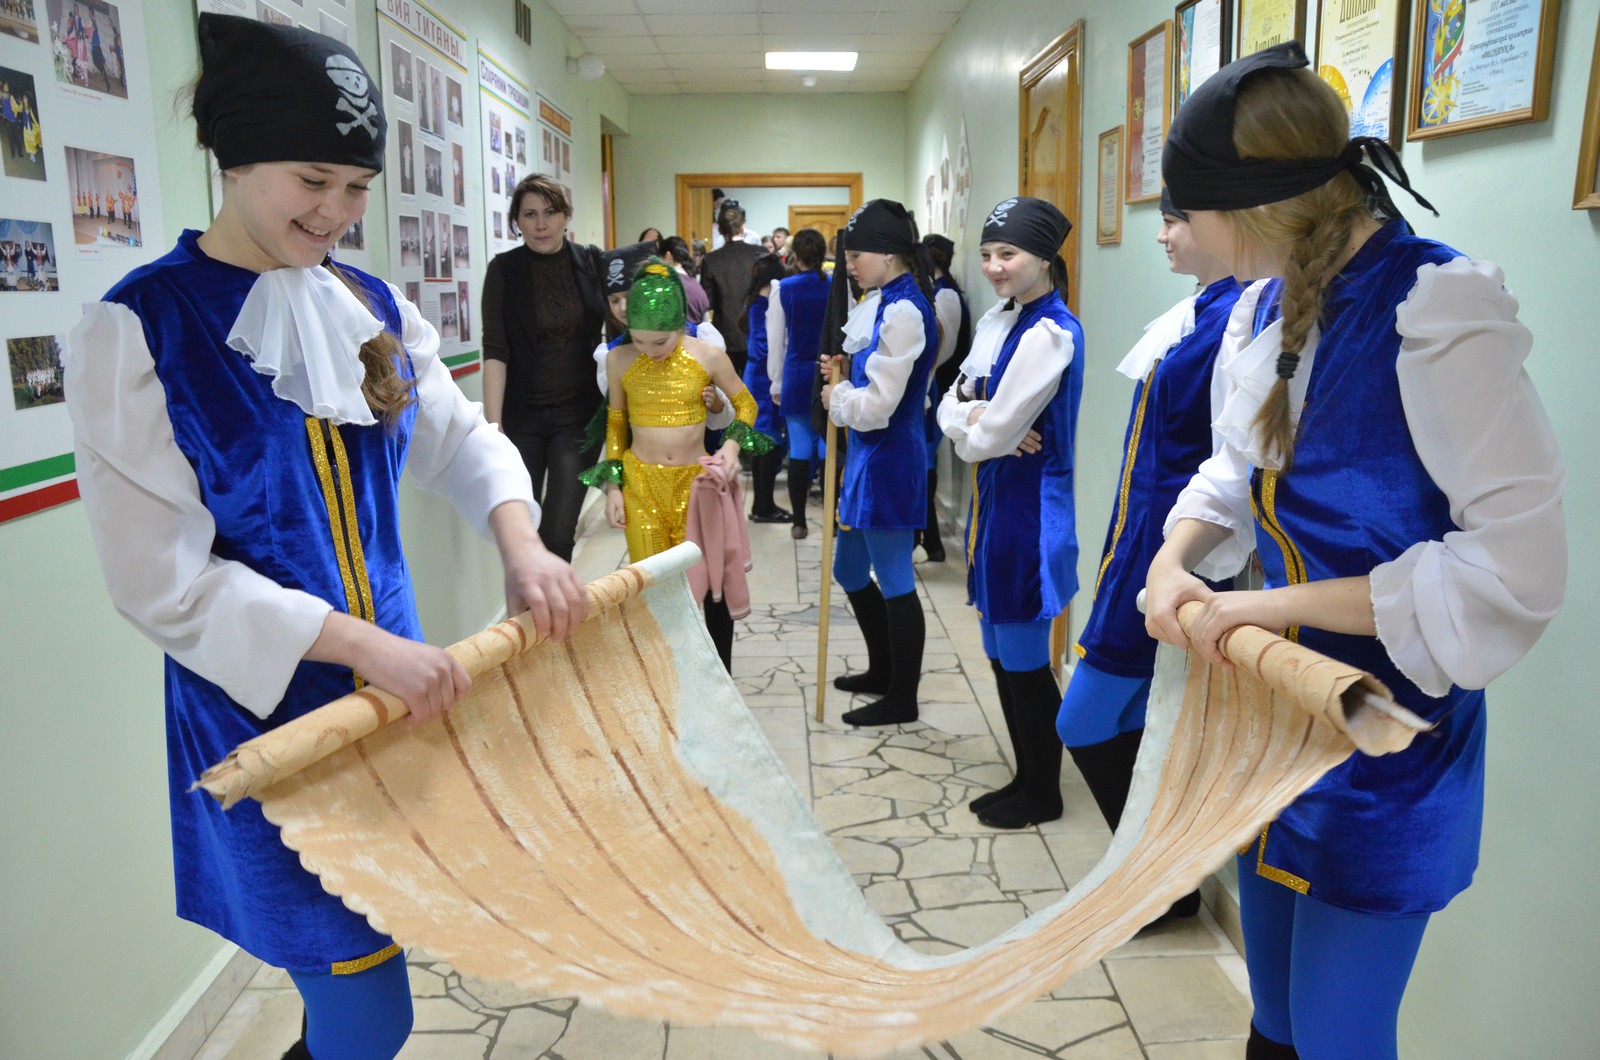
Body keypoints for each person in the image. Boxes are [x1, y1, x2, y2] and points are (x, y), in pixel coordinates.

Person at [61, 17, 589, 1060]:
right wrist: (362, 646)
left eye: (357, 188)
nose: (338, 213)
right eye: (313, 181)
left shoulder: (367, 302)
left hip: (395, 697)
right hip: (267, 718)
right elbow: (162, 583)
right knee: (365, 1007)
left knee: (362, 958)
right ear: (233, 159)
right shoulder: (142, 327)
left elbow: (456, 438)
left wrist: (521, 544)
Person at [1145, 43, 1565, 1060]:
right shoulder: (1263, 301)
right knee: (1276, 1016)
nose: (1176, 230)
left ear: (1252, 209)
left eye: (1188, 210)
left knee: (1339, 1033)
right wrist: (1174, 559)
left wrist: (1267, 608)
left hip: (1387, 742)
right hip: (1274, 712)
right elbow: (1235, 471)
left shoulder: (1439, 312)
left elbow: (1516, 572)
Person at [1057, 187, 1241, 884]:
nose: (1161, 236)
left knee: (1083, 719)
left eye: (1172, 222)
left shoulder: (1243, 314)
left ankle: (1156, 878)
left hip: (1177, 556)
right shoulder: (1204, 308)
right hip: (1141, 540)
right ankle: (1156, 878)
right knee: (1141, 716)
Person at [936, 198, 1081, 828]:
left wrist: (979, 424)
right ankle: (1025, 776)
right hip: (998, 504)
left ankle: (1043, 792)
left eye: (1009, 254)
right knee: (998, 649)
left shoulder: (1050, 333)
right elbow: (952, 406)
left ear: (1044, 258)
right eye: (988, 254)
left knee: (1023, 658)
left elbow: (988, 436)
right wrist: (975, 416)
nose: (995, 266)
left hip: (1030, 513)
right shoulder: (1003, 320)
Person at [583, 261, 774, 669]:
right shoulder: (618, 359)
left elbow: (747, 405)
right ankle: (670, 677)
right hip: (641, 487)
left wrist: (732, 449)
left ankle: (720, 674)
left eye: (660, 341)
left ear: (679, 325)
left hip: (696, 488)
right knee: (654, 586)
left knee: (711, 580)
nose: (649, 351)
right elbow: (615, 425)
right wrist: (613, 487)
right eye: (639, 340)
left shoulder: (707, 355)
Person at [820, 199, 939, 727]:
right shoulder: (881, 301)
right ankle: (881, 670)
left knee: (894, 578)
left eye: (856, 255)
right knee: (849, 569)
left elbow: (878, 407)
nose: (848, 264)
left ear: (889, 255)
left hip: (890, 461)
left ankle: (901, 697)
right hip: (867, 459)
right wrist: (845, 375)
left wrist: (840, 395)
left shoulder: (904, 311)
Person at [480, 175, 609, 563]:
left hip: (579, 416)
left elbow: (621, 326)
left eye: (550, 213)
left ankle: (556, 604)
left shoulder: (591, 262)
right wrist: (494, 428)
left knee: (557, 533)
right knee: (522, 534)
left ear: (566, 216)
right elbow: (495, 351)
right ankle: (530, 603)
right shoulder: (504, 270)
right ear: (517, 221)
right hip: (522, 418)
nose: (541, 224)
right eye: (530, 214)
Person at [765, 228, 831, 539]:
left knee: (800, 448)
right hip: (830, 372)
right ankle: (832, 519)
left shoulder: (783, 288)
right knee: (829, 447)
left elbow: (776, 340)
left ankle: (800, 522)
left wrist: (775, 381)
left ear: (796, 255)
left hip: (796, 374)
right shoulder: (836, 286)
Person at [919, 233, 971, 564]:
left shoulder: (947, 294)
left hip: (937, 387)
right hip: (933, 385)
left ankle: (932, 540)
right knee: (924, 464)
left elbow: (943, 347)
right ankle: (929, 538)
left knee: (925, 463)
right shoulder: (938, 291)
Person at [740, 252, 790, 524]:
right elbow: (765, 348)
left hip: (756, 375)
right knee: (769, 443)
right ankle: (764, 506)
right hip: (764, 378)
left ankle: (762, 505)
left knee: (763, 443)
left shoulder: (754, 302)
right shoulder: (766, 305)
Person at [699, 205, 765, 376]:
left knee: (727, 386)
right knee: (755, 386)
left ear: (720, 230)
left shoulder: (711, 259)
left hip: (725, 332)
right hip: (757, 330)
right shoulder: (761, 254)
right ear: (743, 227)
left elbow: (708, 301)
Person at [659, 234, 708, 325]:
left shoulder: (663, 285)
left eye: (660, 258)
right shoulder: (697, 287)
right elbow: (706, 324)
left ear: (668, 256)